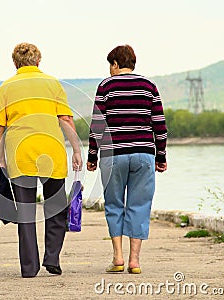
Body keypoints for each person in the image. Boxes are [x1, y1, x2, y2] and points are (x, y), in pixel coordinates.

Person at [0, 42, 82, 278]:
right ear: (38, 61)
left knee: (25, 213)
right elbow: (66, 120)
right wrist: (76, 150)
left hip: (20, 154)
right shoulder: (53, 83)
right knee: (55, 207)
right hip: (51, 152)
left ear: (15, 63)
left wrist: (0, 158)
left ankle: (29, 268)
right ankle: (52, 258)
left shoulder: (6, 87)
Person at [87, 45, 167, 274]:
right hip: (143, 155)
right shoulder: (149, 87)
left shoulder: (105, 86)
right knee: (139, 205)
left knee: (114, 204)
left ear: (114, 64)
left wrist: (93, 155)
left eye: (109, 65)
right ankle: (135, 261)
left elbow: (97, 125)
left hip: (113, 155)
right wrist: (160, 156)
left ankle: (118, 258)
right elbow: (159, 126)